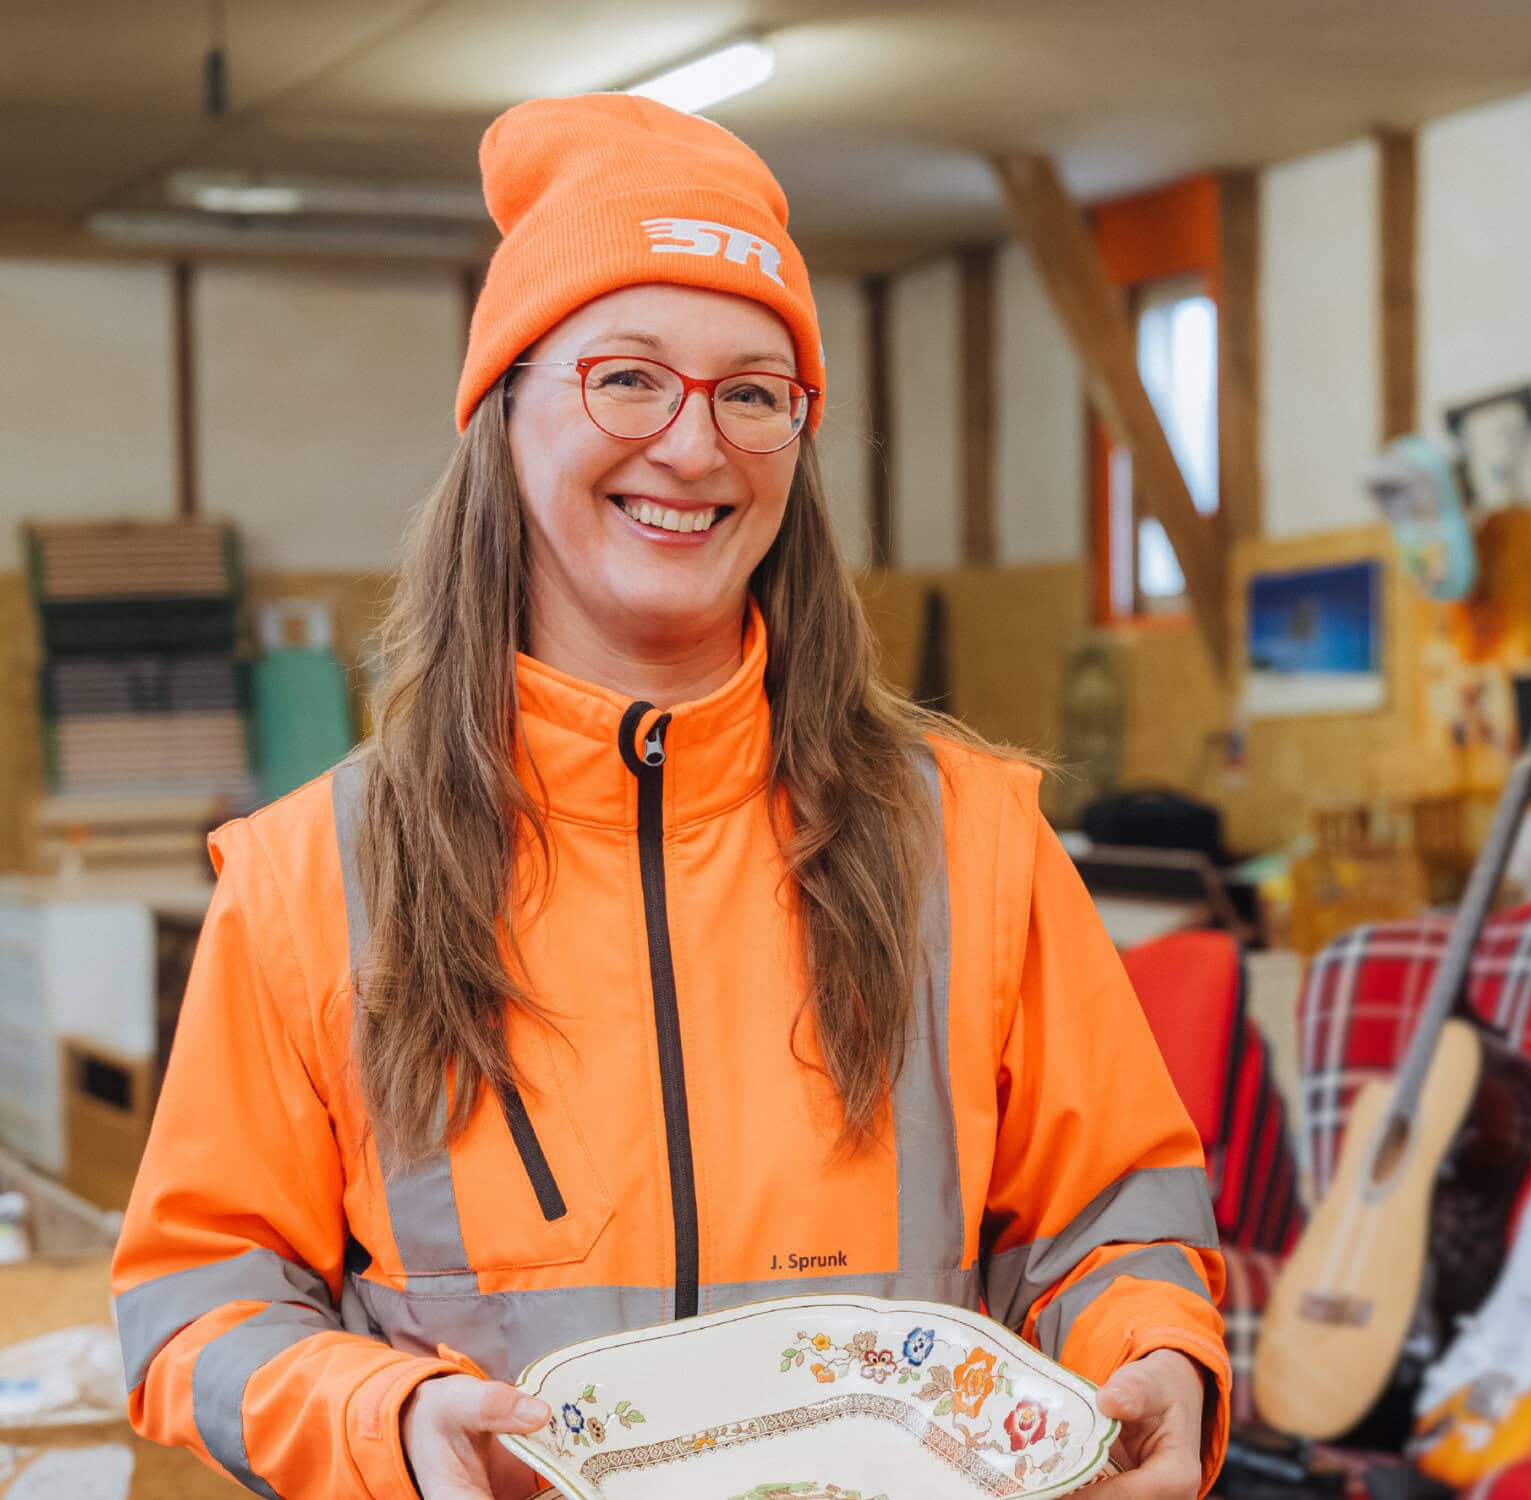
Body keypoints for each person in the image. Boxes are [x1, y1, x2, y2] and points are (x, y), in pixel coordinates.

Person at [110, 93, 1229, 1499]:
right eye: (627, 377)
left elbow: (1116, 1218)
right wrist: (376, 1417)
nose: (694, 448)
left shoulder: (973, 841)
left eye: (753, 392)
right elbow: (194, 1300)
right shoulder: (315, 876)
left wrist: (1160, 1349)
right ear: (505, 410)